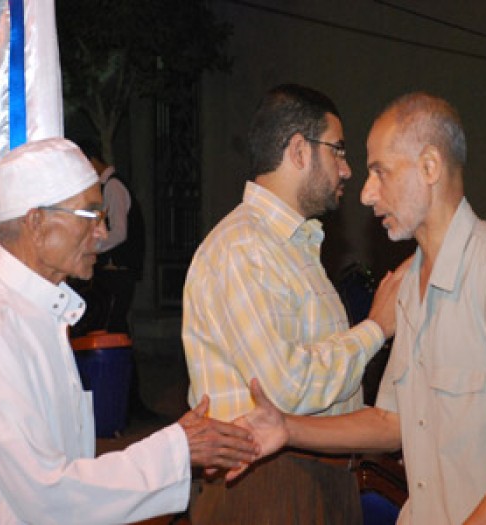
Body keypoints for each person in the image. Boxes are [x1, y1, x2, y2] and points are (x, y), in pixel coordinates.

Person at [236, 92, 486, 524]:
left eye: (380, 172)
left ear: (429, 167)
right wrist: (287, 428)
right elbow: (391, 422)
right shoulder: (410, 283)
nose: (366, 194)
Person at [0, 138, 259, 523]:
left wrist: (175, 446)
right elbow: (47, 496)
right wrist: (175, 451)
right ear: (36, 222)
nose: (103, 233)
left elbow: (70, 465)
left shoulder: (39, 314)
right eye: (90, 215)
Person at [182, 83, 403, 524]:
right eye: (338, 151)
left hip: (314, 477)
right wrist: (375, 329)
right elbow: (284, 389)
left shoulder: (293, 246)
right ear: (300, 151)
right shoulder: (243, 248)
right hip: (264, 486)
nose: (346, 170)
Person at [79, 139, 144, 336]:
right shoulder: (107, 186)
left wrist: (94, 248)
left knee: (113, 328)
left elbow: (119, 232)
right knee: (110, 328)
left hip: (118, 272)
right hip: (114, 272)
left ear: (91, 161)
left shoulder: (113, 187)